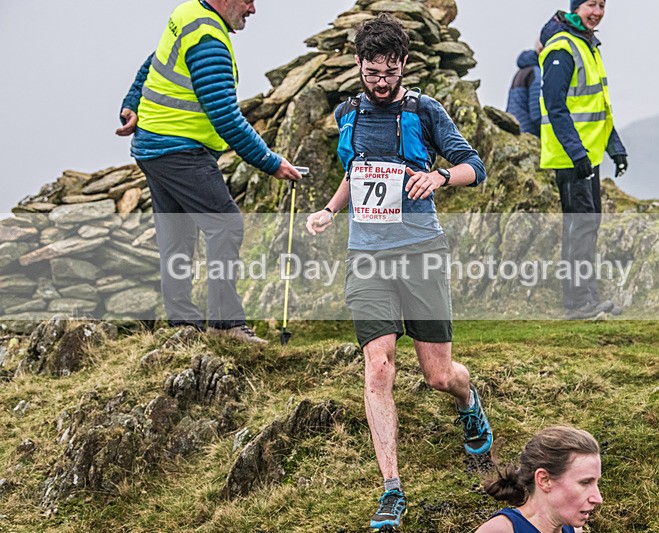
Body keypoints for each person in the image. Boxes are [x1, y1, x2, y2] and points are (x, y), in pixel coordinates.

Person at [305, 13, 493, 530]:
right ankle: (392, 489)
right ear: (360, 66)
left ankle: (469, 401)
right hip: (366, 257)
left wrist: (439, 177)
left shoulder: (425, 111)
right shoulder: (348, 113)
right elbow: (355, 173)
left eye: (389, 72)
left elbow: (474, 166)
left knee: (438, 376)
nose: (380, 82)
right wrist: (329, 209)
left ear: (404, 66)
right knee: (379, 367)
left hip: (421, 252)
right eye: (372, 72)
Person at [116, 0, 303, 342]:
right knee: (225, 225)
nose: (253, 9)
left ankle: (184, 326)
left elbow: (152, 62)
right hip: (180, 150)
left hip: (153, 147)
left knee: (178, 234)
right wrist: (272, 163)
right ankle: (226, 326)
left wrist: (130, 102)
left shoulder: (188, 14)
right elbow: (226, 118)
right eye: (248, 0)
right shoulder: (209, 42)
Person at [538, 0, 628, 320]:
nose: (598, 12)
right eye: (591, 4)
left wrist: (615, 146)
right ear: (577, 7)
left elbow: (599, 105)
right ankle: (577, 303)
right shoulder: (563, 48)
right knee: (580, 227)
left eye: (602, 5)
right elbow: (555, 106)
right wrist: (577, 153)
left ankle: (587, 297)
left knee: (587, 225)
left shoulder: (588, 44)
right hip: (571, 157)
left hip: (587, 156)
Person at [477, 426, 602, 533]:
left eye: (596, 483)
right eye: (585, 483)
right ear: (544, 480)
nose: (598, 499)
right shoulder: (500, 530)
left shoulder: (573, 529)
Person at [506, 42, 544, 136]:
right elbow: (537, 113)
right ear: (541, 50)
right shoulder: (537, 73)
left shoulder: (522, 71)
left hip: (515, 130)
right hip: (529, 133)